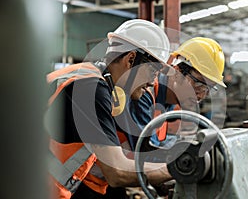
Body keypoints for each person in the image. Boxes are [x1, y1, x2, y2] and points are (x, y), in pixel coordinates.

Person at [45, 19, 174, 199]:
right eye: (153, 72)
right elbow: (116, 172)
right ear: (130, 60)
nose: (152, 83)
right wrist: (174, 169)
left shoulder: (89, 78)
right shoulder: (90, 88)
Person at [123, 37, 227, 150]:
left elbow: (158, 142)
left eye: (207, 89)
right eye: (198, 85)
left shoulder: (172, 100)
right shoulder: (143, 93)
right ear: (177, 72)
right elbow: (144, 153)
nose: (201, 95)